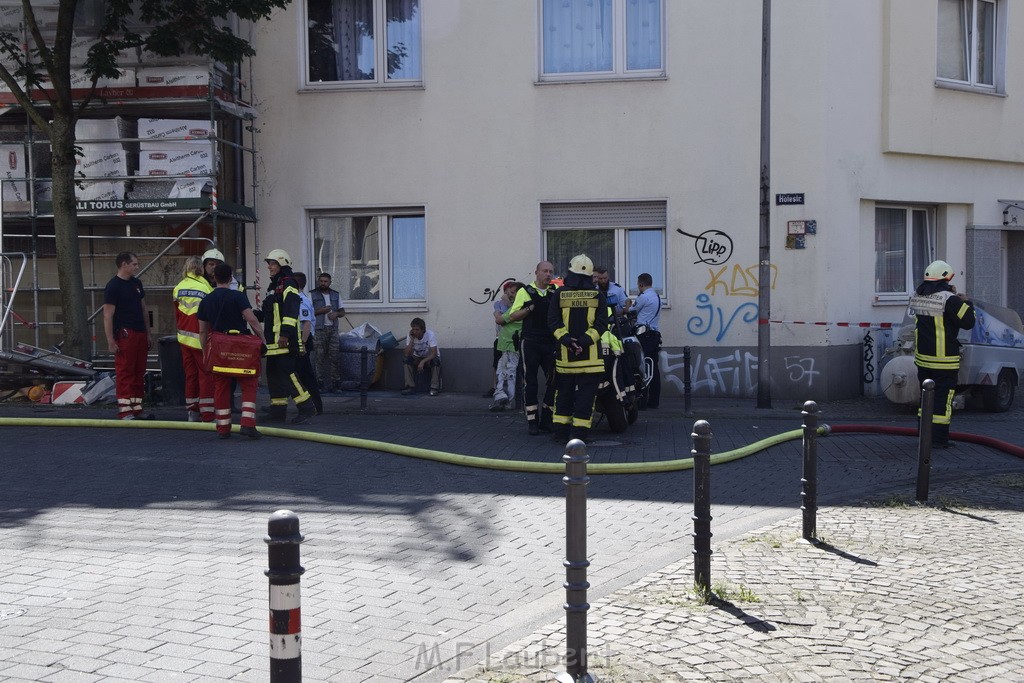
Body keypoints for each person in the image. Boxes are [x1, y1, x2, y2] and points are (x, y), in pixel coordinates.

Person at [909, 259, 976, 448]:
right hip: (944, 361)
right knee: (942, 401)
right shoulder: (950, 299)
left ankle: (924, 436)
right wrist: (966, 301)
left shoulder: (918, 295)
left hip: (923, 360)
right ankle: (938, 440)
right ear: (946, 279)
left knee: (925, 399)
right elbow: (969, 321)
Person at [197, 263, 267, 439]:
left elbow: (203, 330)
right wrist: (262, 340)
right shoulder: (238, 297)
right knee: (249, 383)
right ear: (230, 278)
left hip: (219, 347)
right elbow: (252, 320)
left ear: (214, 278)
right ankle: (248, 424)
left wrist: (206, 350)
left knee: (221, 386)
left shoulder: (206, 300)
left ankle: (223, 428)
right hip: (241, 347)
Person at [547, 255, 607, 443]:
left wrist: (567, 341)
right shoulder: (598, 296)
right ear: (591, 276)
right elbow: (602, 325)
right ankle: (579, 436)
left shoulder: (559, 294)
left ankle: (560, 434)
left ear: (570, 272)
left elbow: (553, 322)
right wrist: (583, 342)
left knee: (563, 396)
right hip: (591, 360)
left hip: (566, 358)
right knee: (586, 398)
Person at [259, 249, 317, 424]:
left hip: (284, 341)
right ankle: (277, 411)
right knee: (273, 375)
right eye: (269, 263)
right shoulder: (274, 286)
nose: (269, 266)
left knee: (289, 374)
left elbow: (291, 312)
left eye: (273, 263)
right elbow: (268, 314)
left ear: (282, 264)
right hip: (273, 343)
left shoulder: (288, 284)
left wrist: (284, 334)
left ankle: (307, 408)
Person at [505, 261, 559, 435]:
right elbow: (513, 315)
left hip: (550, 342)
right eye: (545, 271)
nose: (548, 274)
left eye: (551, 271)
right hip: (530, 342)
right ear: (536, 272)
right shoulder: (525, 291)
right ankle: (532, 421)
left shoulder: (554, 292)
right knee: (531, 382)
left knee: (554, 380)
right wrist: (529, 308)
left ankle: (547, 419)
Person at [102, 251, 154, 420]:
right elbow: (108, 315)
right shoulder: (113, 286)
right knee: (125, 371)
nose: (137, 267)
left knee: (139, 372)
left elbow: (144, 309)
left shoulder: (136, 283)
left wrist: (148, 333)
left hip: (139, 333)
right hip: (125, 334)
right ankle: (125, 410)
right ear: (124, 264)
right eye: (134, 264)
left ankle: (137, 408)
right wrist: (110, 339)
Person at [172, 255, 214, 422]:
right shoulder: (205, 288)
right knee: (206, 375)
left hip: (183, 339)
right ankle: (208, 414)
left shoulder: (178, 287)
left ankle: (192, 412)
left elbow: (177, 313)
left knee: (190, 375)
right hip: (200, 339)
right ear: (200, 268)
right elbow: (209, 315)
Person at [490, 281, 524, 411]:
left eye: (513, 292)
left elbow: (500, 320)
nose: (510, 295)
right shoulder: (515, 306)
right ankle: (501, 398)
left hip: (511, 345)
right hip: (506, 345)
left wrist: (497, 311)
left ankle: (508, 402)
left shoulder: (517, 308)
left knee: (510, 374)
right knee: (502, 371)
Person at [293, 272, 323, 415]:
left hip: (302, 339)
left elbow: (306, 323)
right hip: (301, 339)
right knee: (301, 374)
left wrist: (302, 344)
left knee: (305, 375)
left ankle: (315, 406)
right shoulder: (298, 298)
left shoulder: (300, 300)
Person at [632, 272, 662, 409]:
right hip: (654, 335)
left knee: (642, 368)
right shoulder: (656, 296)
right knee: (653, 368)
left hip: (644, 336)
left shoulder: (643, 297)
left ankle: (642, 402)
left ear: (641, 284)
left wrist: (627, 305)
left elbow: (631, 311)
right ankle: (654, 400)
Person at [310, 272, 345, 392]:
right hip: (319, 330)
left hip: (333, 330)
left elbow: (342, 312)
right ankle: (319, 384)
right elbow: (307, 313)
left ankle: (336, 384)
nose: (323, 283)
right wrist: (321, 311)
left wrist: (336, 314)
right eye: (321, 281)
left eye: (325, 281)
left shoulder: (335, 294)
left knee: (335, 357)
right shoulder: (312, 295)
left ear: (330, 282)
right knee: (319, 357)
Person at [402, 317, 441, 396]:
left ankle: (434, 388)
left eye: (417, 329)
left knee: (436, 361)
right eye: (413, 329)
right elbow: (406, 354)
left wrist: (423, 361)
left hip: (429, 358)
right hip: (417, 358)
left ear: (423, 330)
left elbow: (434, 353)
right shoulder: (411, 335)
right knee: (406, 360)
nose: (414, 331)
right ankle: (410, 387)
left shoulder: (430, 334)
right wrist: (412, 340)